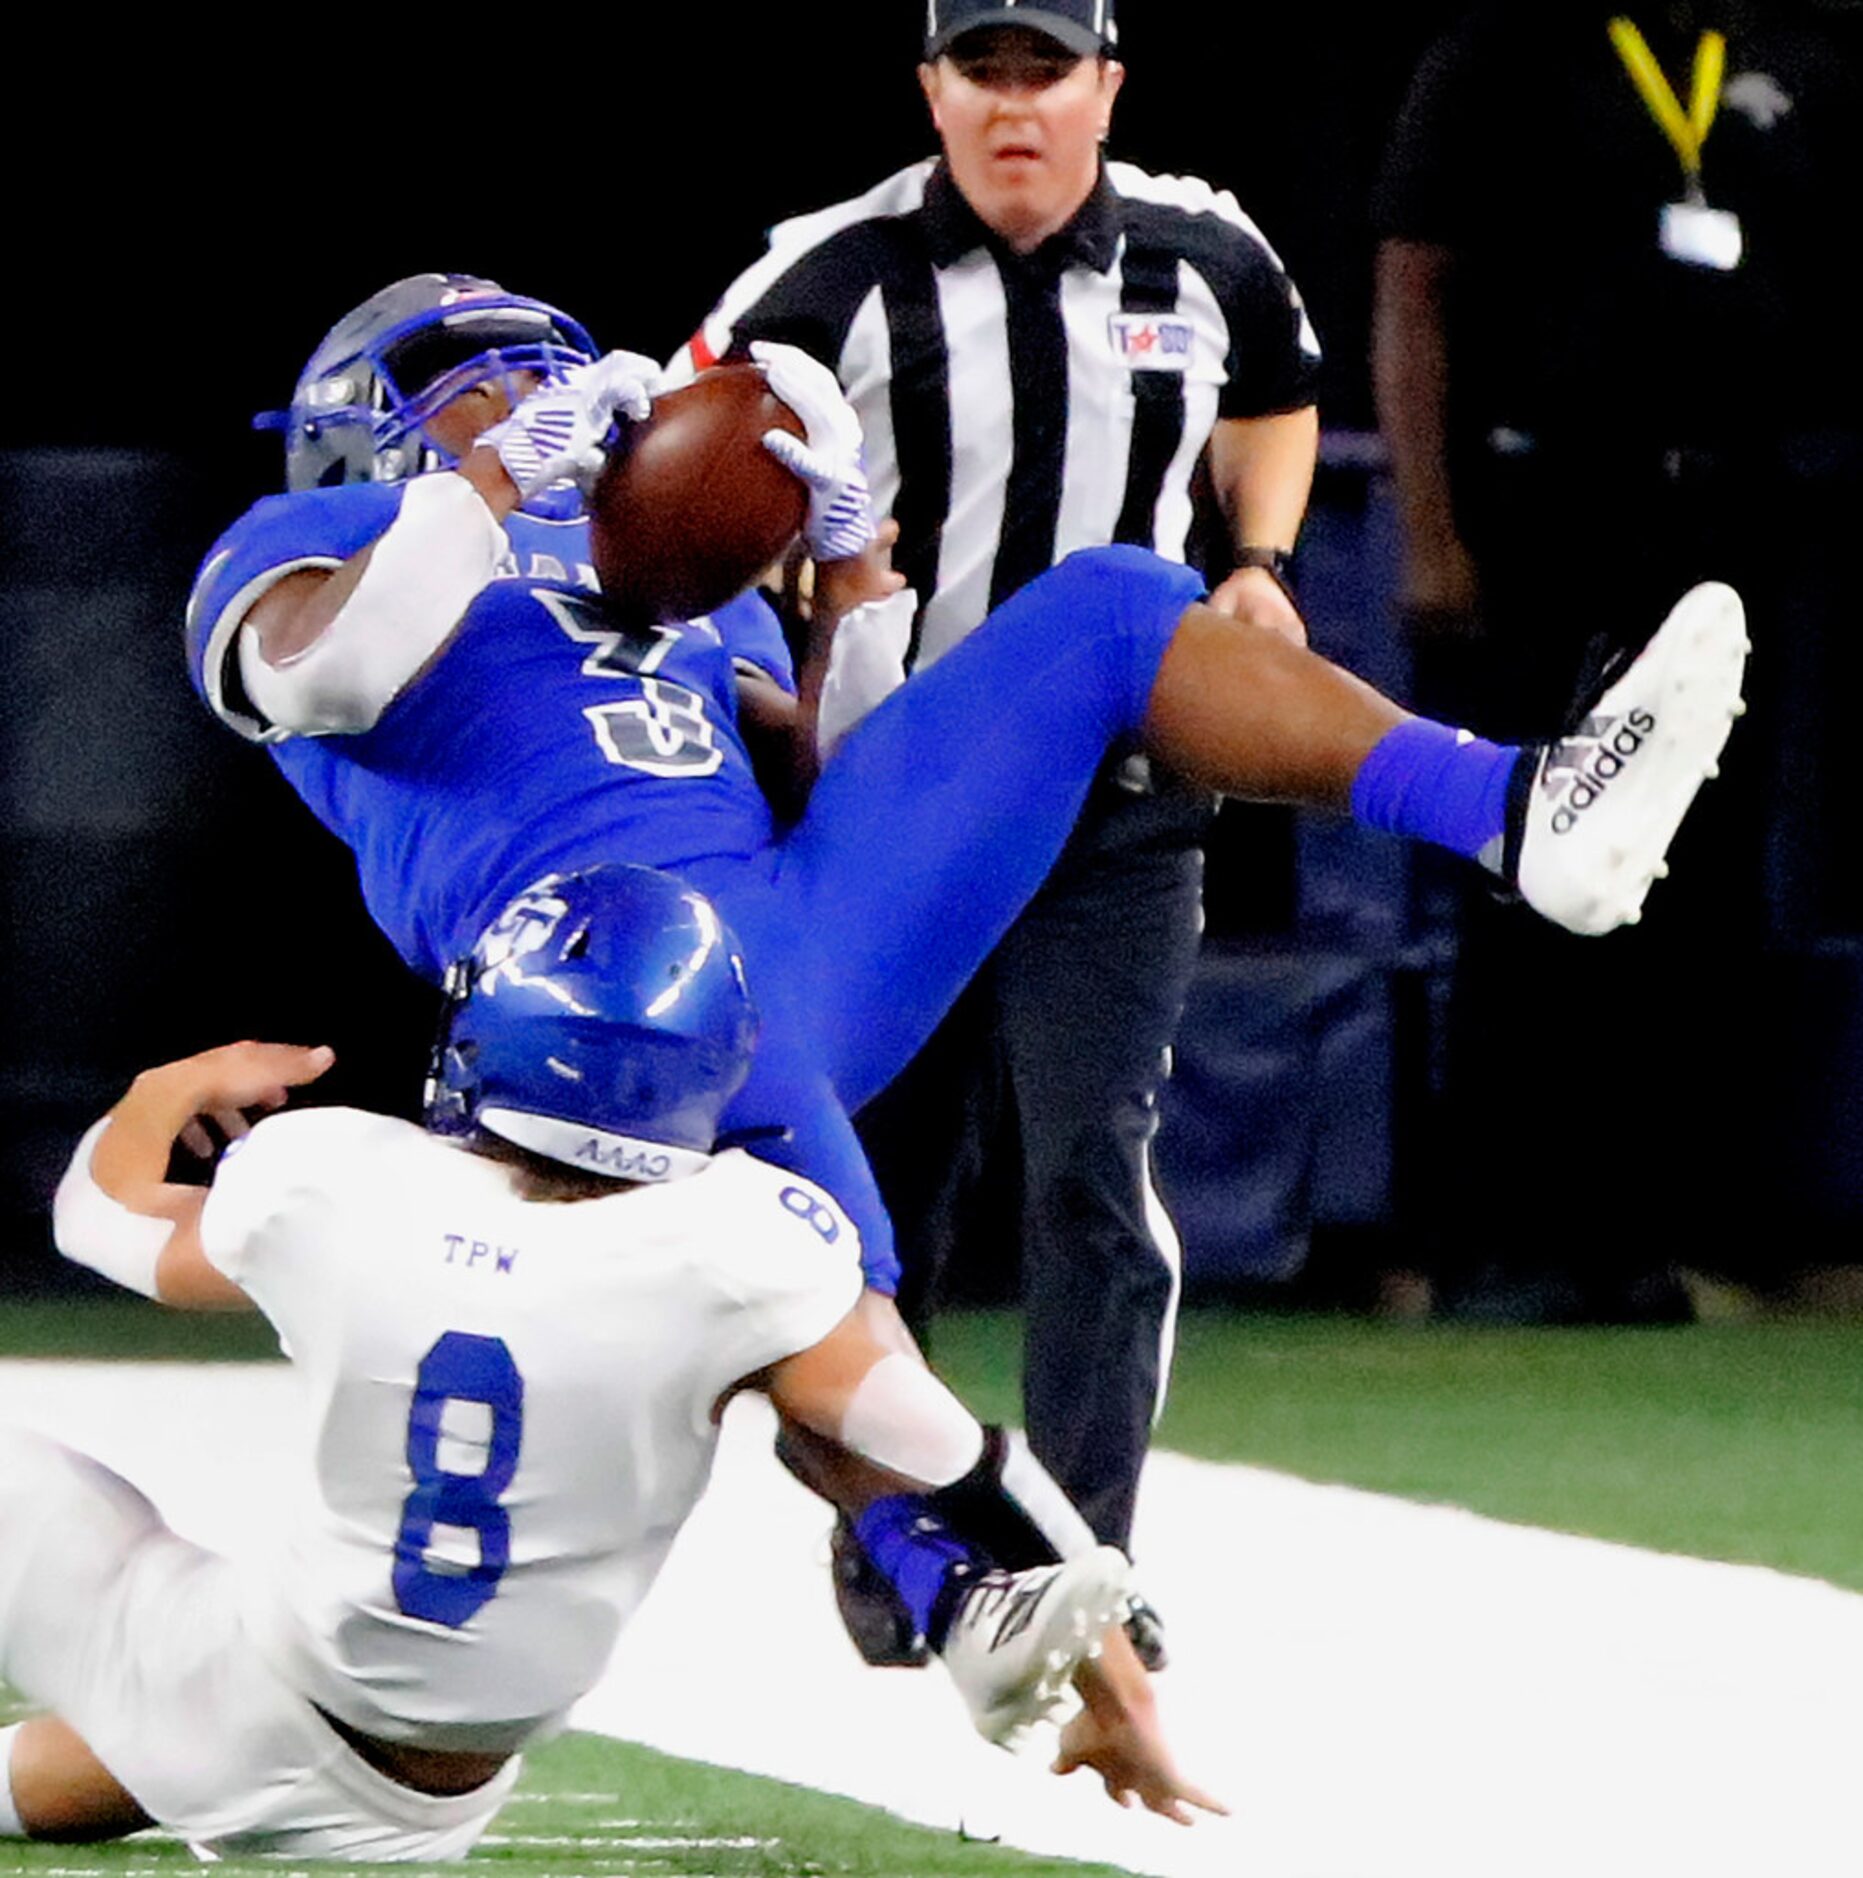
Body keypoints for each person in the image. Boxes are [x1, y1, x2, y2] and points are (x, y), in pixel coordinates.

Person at [184, 268, 1741, 1665]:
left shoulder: (653, 567)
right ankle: (954, 1582)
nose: (531, 404)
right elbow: (320, 672)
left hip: (789, 928)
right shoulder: (310, 544)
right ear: (365, 432)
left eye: (542, 375)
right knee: (807, 1270)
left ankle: (1515, 809)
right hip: (576, 993)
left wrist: (853, 593)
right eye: (475, 384)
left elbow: (842, 775)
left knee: (1112, 603)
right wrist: (463, 501)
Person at [1, 865, 1215, 1857]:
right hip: (426, 1788)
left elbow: (98, 1219)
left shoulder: (333, 1182)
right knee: (188, 1738)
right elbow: (955, 1464)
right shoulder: (740, 1249)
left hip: (259, 1677)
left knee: (157, 1664)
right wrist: (1120, 1688)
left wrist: (169, 1089)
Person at [668, 0, 1325, 1653]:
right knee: (875, 1187)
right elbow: (680, 474)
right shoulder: (823, 275)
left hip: (1114, 802)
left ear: (1106, 86)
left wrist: (1257, 559)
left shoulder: (1204, 255)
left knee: (1094, 1176)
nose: (1015, 106)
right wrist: (767, 657)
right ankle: (902, 1539)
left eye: (1047, 71)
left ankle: (1074, 1571)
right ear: (931, 90)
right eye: (984, 71)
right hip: (899, 809)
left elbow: (1278, 388)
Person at [1372, 0, 1863, 1315]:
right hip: (1542, 511)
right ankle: (1498, 1242)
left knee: (1702, 884)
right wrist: (1428, 535)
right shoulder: (1495, 50)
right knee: (1529, 864)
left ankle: (1665, 1239)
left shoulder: (1785, 48)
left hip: (1731, 511)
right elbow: (1412, 287)